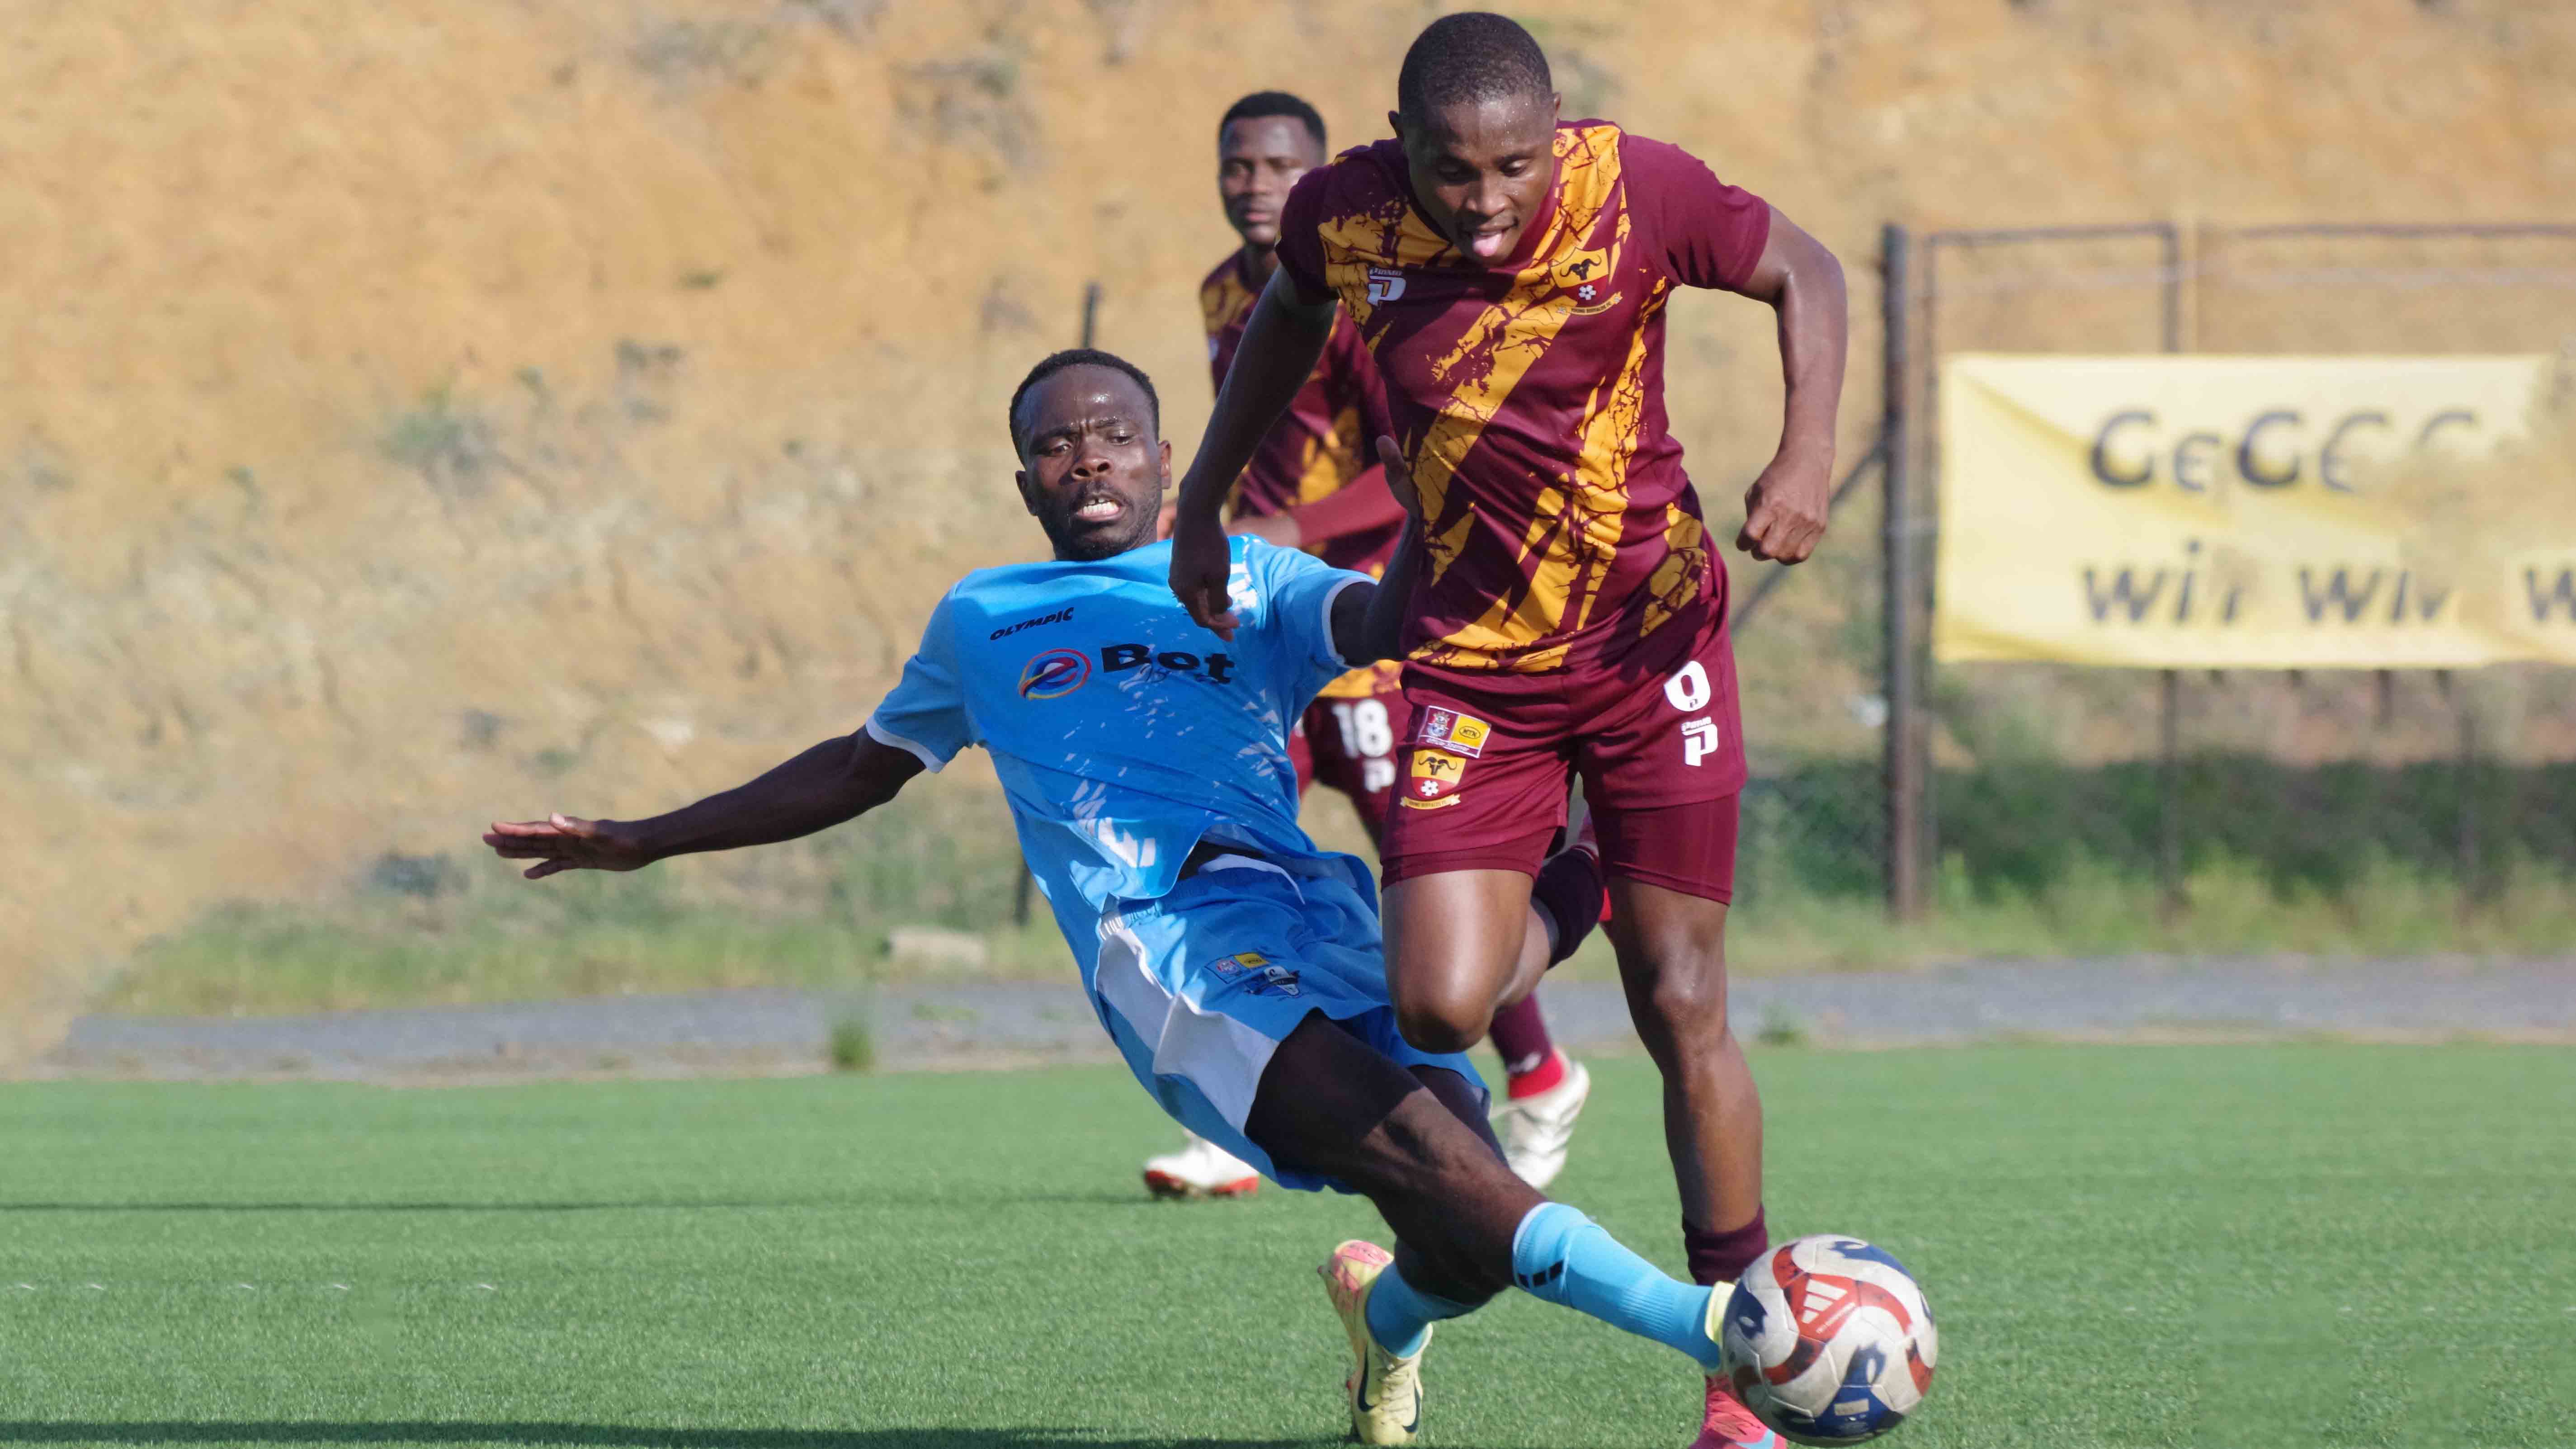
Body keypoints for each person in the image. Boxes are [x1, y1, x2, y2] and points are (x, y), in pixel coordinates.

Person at [483, 351, 1779, 1449]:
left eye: (1112, 436)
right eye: (1054, 446)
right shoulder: (982, 616)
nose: (1086, 459)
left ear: (1169, 461)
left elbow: (1386, 624)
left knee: (1463, 1222)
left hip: (1314, 912)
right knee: (1437, 1163)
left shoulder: (1249, 579)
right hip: (1170, 948)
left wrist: (1431, 512)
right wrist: (645, 838)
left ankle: (1381, 1316)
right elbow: (856, 767)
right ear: (1024, 482)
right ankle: (1730, 1332)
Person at [1163, 15, 1846, 1448]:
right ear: (1398, 144)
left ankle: (1737, 1387)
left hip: (1650, 643)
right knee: (1439, 1009)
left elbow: (1809, 269)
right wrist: (1207, 500)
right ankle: (1585, 872)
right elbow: (1286, 315)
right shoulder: (1345, 214)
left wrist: (1803, 451)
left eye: (1514, 167)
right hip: (1475, 668)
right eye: (1453, 170)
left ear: (1556, 135)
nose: (1486, 202)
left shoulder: (1636, 189)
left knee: (1681, 998)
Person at [1144, 89, 1598, 1201]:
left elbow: (1396, 468)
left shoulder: (1355, 297)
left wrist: (1287, 531)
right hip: (1274, 620)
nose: (1255, 184)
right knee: (1230, 842)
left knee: (1421, 870)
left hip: (1377, 619)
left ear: (1318, 177)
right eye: (1237, 165)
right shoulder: (1223, 293)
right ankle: (1244, 1108)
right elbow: (1256, 440)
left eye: (1277, 166)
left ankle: (1538, 1072)